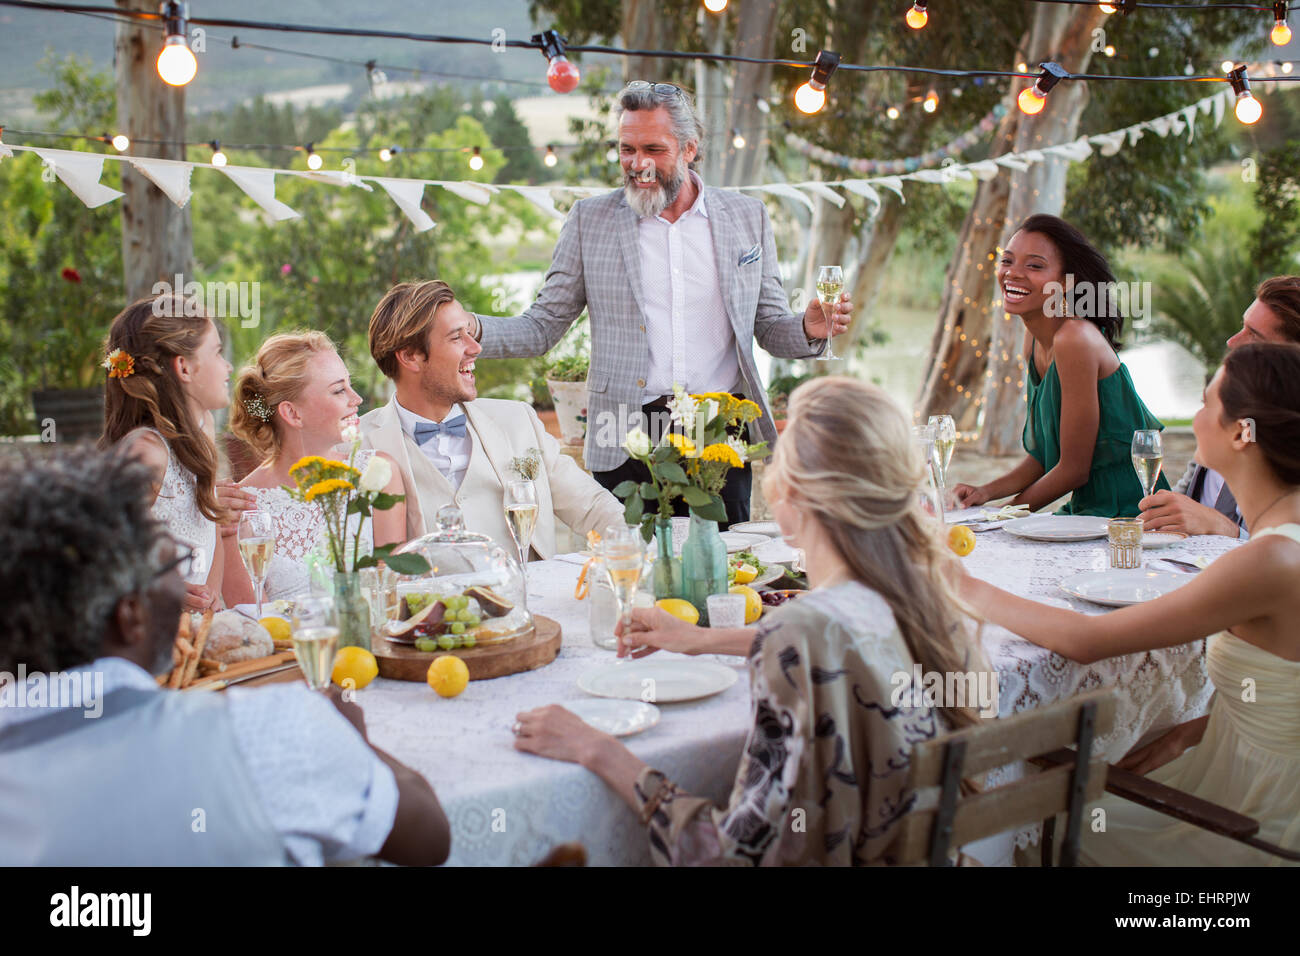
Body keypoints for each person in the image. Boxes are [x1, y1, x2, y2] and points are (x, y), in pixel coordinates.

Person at [512, 377, 994, 865]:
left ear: (793, 492)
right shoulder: (923, 600)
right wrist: (700, 639)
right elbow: (837, 643)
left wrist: (599, 751)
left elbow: (728, 856)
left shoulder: (799, 634)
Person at [0, 448, 450, 866]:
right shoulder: (268, 732)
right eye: (171, 564)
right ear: (130, 615)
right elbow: (429, 838)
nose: (183, 587)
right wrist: (353, 738)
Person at [960, 343, 1300, 865]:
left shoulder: (1266, 561)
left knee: (1018, 825)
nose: (1193, 416)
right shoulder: (1276, 542)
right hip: (1228, 770)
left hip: (1258, 821)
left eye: (1207, 404)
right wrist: (1185, 734)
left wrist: (957, 582)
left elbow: (1086, 641)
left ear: (1241, 433)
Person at [465, 82, 853, 527]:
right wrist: (470, 329)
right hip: (626, 434)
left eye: (654, 148)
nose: (638, 164)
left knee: (725, 573)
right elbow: (543, 326)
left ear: (690, 148)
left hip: (718, 430)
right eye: (626, 149)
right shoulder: (590, 220)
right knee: (633, 575)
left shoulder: (747, 217)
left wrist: (808, 329)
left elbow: (767, 326)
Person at [359, 279, 626, 556]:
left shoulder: (517, 421)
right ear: (410, 356)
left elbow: (593, 508)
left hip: (528, 595)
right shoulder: (359, 447)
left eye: (469, 333)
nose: (476, 348)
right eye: (455, 337)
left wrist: (644, 551)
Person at [952, 215, 1169, 517]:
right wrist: (985, 492)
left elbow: (1073, 470)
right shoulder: (1033, 340)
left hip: (1130, 515)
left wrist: (1002, 515)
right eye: (1008, 261)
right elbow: (1044, 456)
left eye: (1035, 265)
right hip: (1087, 512)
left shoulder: (1074, 339)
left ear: (1067, 283)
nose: (1013, 274)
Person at [223, 332, 407, 604]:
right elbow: (255, 623)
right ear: (292, 413)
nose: (355, 399)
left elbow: (392, 593)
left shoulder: (378, 473)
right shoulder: (241, 507)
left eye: (349, 384)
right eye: (338, 390)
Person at [99, 295, 254, 612]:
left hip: (187, 634)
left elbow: (210, 529)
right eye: (217, 353)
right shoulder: (146, 452)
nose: (228, 367)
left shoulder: (202, 427)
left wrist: (207, 604)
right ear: (184, 367)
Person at [1140, 275, 1300, 538]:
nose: (1232, 342)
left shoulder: (1285, 440)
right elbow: (1187, 503)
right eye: (1242, 326)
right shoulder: (1225, 420)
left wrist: (1228, 530)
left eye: (1254, 336)